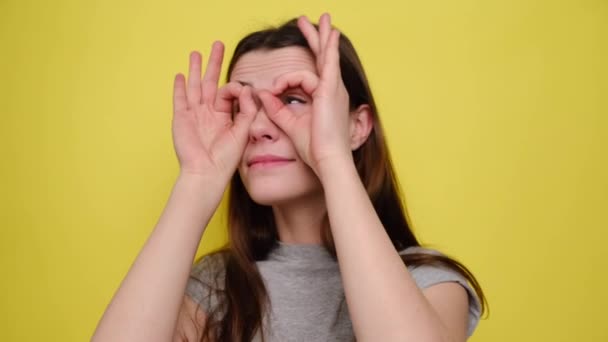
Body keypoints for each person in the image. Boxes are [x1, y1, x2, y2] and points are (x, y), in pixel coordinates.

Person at [92, 13, 487, 342]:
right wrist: (196, 181)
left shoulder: (428, 281)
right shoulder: (214, 287)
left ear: (357, 126)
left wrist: (332, 158)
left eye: (294, 100)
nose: (260, 127)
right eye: (242, 106)